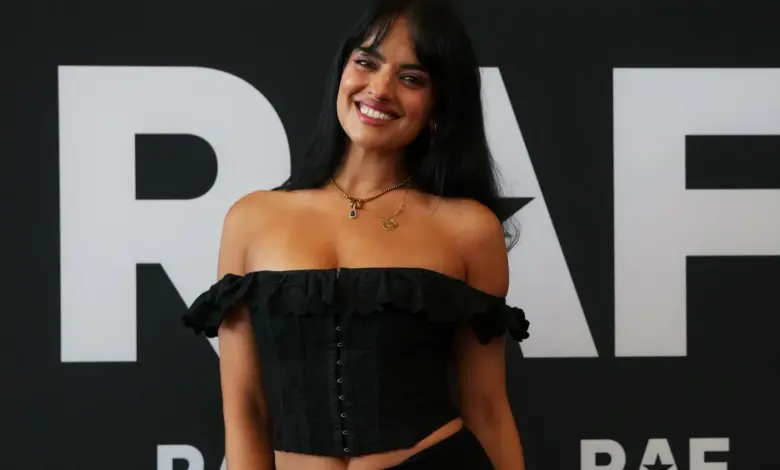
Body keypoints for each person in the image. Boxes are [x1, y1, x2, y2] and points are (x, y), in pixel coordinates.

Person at [182, 0, 530, 468]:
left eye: (412, 78)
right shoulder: (252, 219)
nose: (380, 89)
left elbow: (487, 408)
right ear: (342, 73)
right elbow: (245, 410)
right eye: (366, 62)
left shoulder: (469, 228)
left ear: (438, 106)